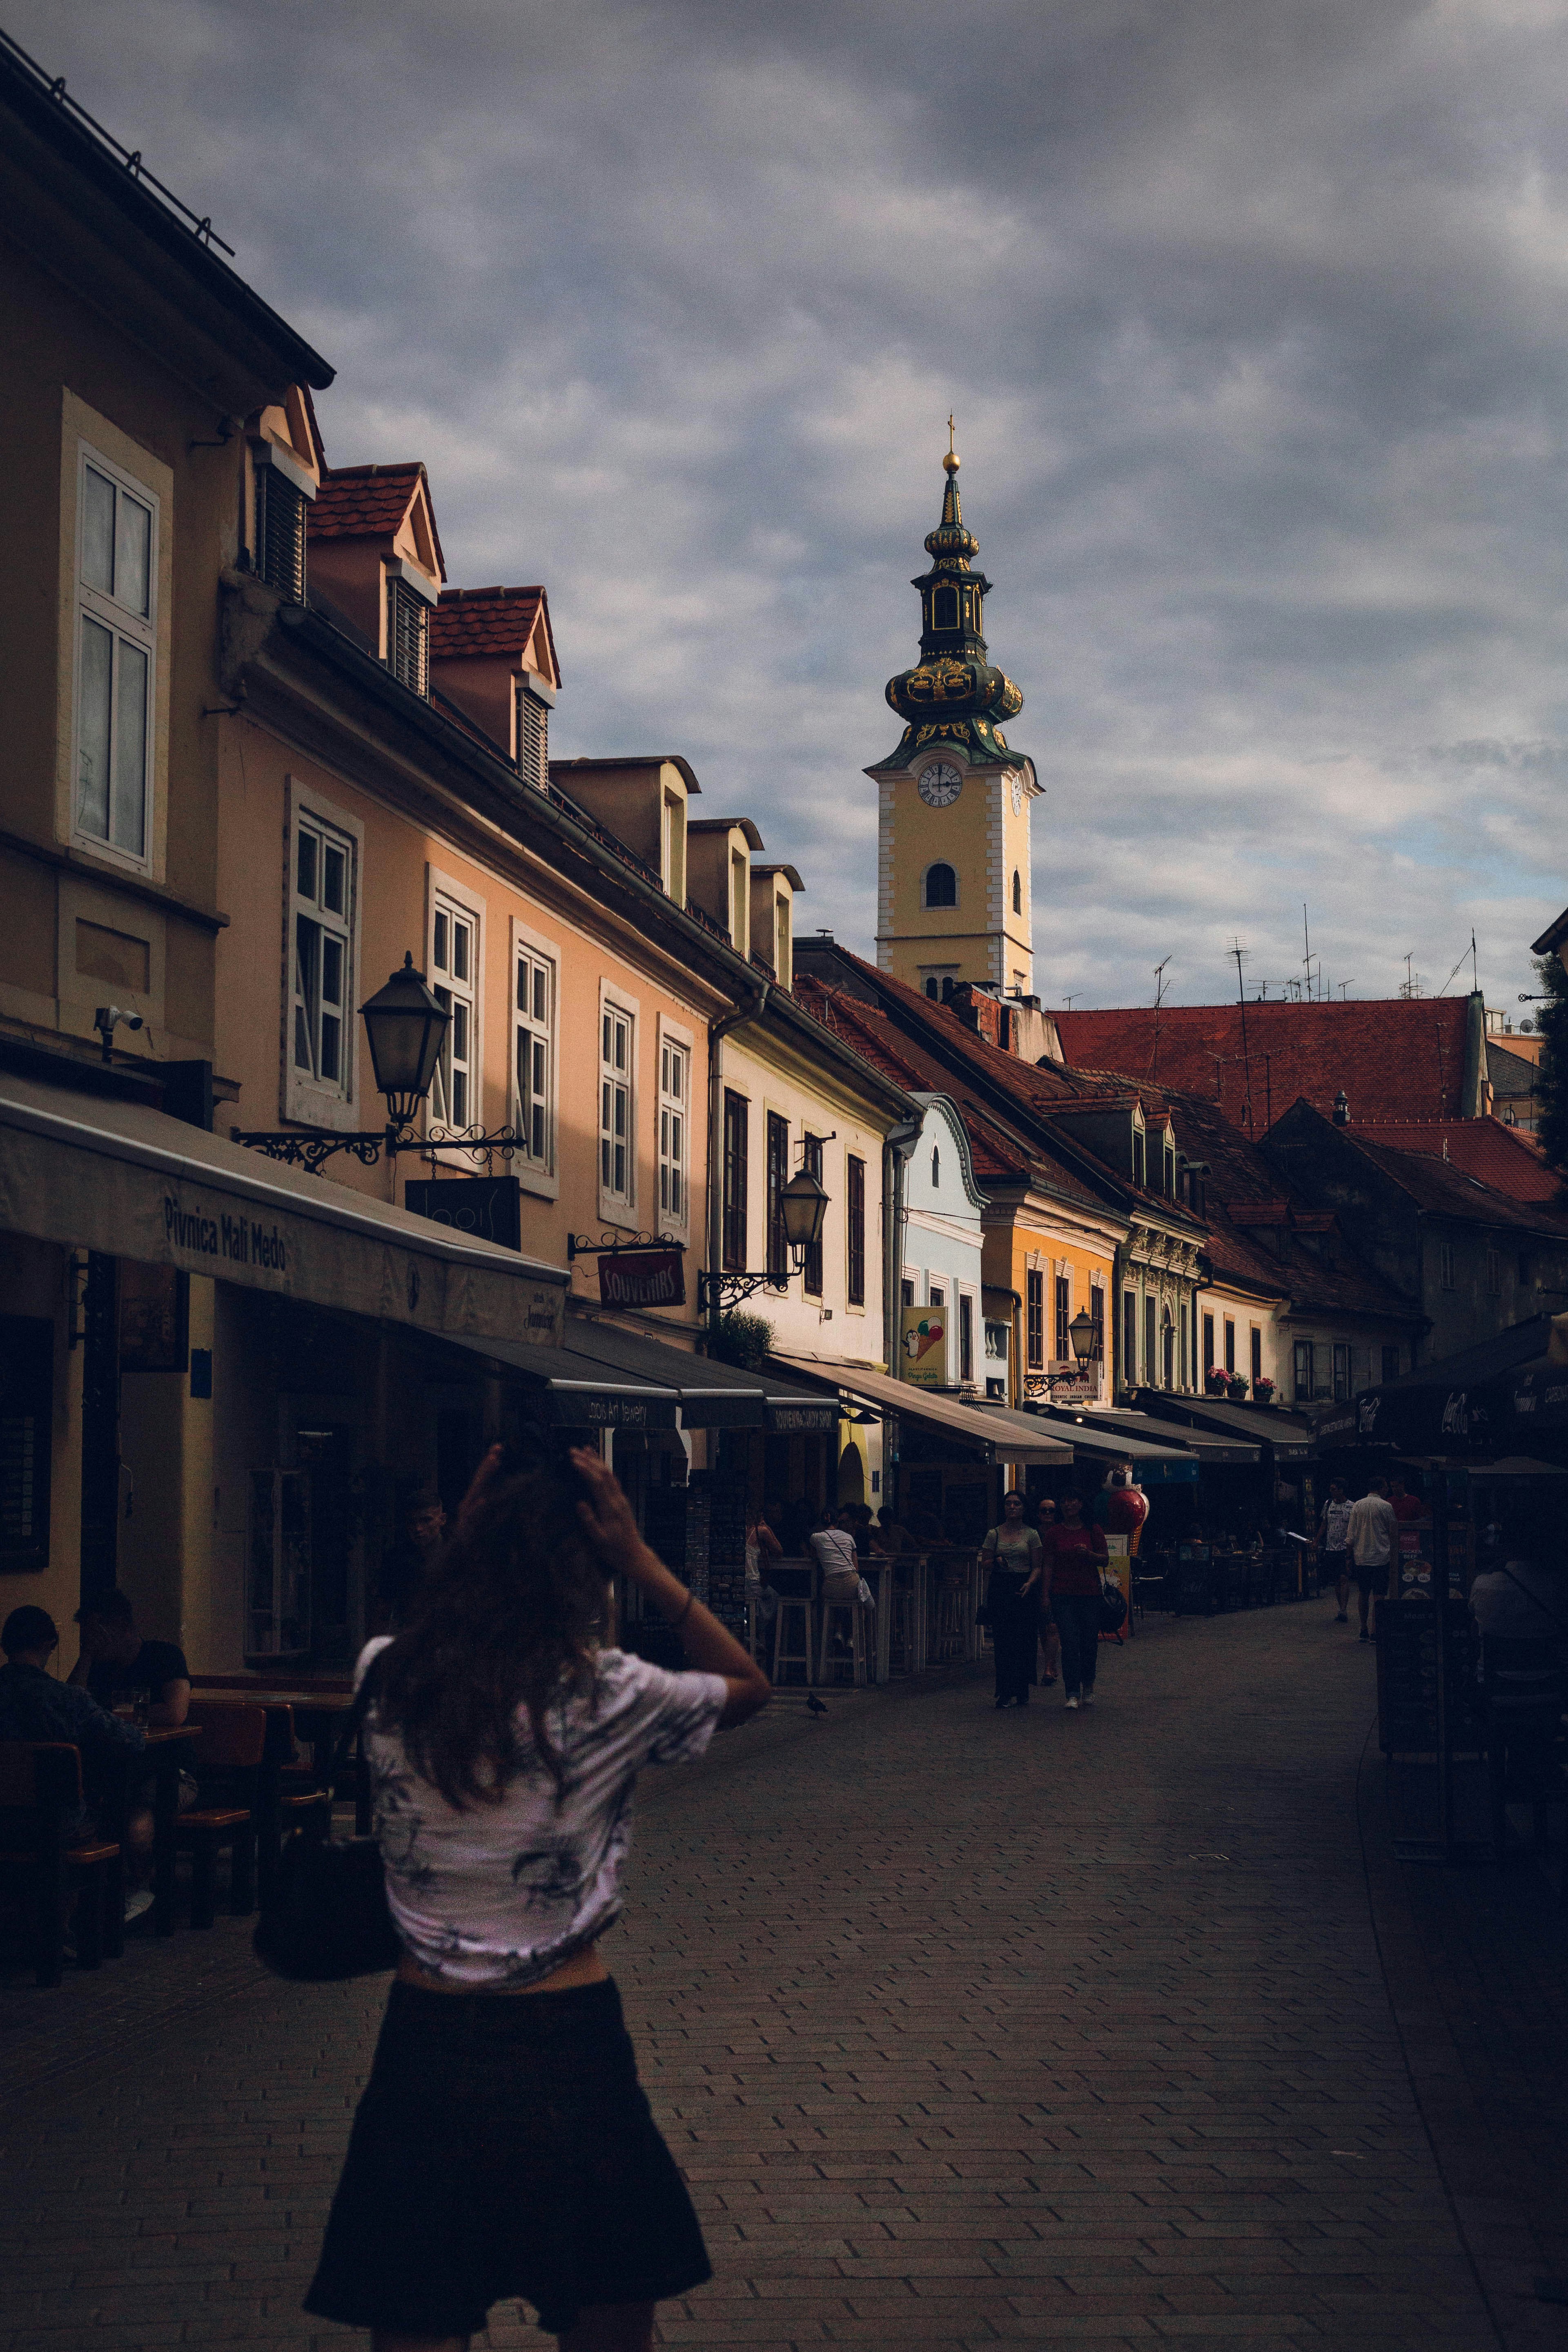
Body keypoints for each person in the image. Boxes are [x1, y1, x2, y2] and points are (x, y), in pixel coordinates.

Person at [304, 1442, 771, 2352]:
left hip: (425, 2041)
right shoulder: (607, 1695)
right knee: (607, 2310)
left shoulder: (383, 1676)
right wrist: (640, 1558)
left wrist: (467, 1538)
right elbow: (751, 1686)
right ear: (586, 1578)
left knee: (415, 2316)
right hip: (567, 2041)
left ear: (470, 1550)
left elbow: (433, 1627)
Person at [0, 1605, 155, 1918]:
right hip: (55, 1825)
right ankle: (98, 1915)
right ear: (50, 1645)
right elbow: (132, 1742)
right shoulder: (65, 1699)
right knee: (112, 1813)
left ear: (5, 1645)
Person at [69, 1589, 190, 1725]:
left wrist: (109, 1716)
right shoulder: (95, 1664)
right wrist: (86, 1655)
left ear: (124, 1627)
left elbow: (174, 1713)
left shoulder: (165, 1655)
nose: (91, 1641)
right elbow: (69, 1707)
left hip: (162, 1745)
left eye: (96, 1633)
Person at [1040, 1491, 1109, 1710]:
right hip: (1063, 1594)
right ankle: (1072, 1692)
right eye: (1065, 1500)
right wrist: (1046, 1594)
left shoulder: (1093, 1530)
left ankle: (1088, 1685)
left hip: (1089, 1594)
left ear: (1081, 1504)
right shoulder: (1055, 1533)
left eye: (1072, 1500)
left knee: (1089, 1643)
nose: (1068, 1504)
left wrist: (1089, 1554)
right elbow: (1048, 1564)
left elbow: (1105, 1559)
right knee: (1069, 1643)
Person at [979, 1491, 1043, 1708]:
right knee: (1003, 1641)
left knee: (1024, 1641)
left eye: (1017, 1504)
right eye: (1009, 1504)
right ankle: (1005, 1690)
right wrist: (996, 1561)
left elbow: (1037, 1566)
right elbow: (984, 1562)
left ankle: (1022, 1688)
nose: (1013, 1508)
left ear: (1024, 1508)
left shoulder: (1032, 1534)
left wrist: (1031, 1583)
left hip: (1024, 1587)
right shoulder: (994, 1534)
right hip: (1001, 1588)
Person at [377, 1487, 450, 1631]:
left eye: (426, 1520)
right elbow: (384, 1607)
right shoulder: (397, 1560)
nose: (418, 1529)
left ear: (442, 1520)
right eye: (412, 1522)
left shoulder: (457, 1554)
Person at [1345, 1477, 1399, 1641]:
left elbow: (1351, 1535)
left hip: (1361, 1556)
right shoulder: (1386, 1506)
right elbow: (1393, 1531)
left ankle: (1363, 1629)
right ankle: (1376, 1630)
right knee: (1379, 1595)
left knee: (1363, 1593)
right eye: (1386, 1487)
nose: (1388, 1490)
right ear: (1381, 1488)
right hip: (1381, 1556)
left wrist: (1348, 1557)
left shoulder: (1357, 1505)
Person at [1035, 1497, 1062, 1685]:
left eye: (1051, 1511)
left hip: (1056, 1583)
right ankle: (1051, 1664)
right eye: (1044, 1510)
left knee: (1053, 1626)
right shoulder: (1033, 1534)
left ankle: (1048, 1668)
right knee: (1043, 1629)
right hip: (1036, 1584)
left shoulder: (1060, 1533)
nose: (1047, 1514)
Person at [1319, 1481, 1353, 1622]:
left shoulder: (1352, 1506)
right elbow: (1324, 1523)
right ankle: (1341, 1608)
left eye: (1335, 1489)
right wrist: (1317, 1540)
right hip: (1330, 1547)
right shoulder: (1328, 1504)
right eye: (1331, 1489)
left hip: (1344, 1547)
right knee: (1337, 1581)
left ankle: (1344, 1609)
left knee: (1344, 1578)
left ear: (1341, 1490)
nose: (1332, 1492)